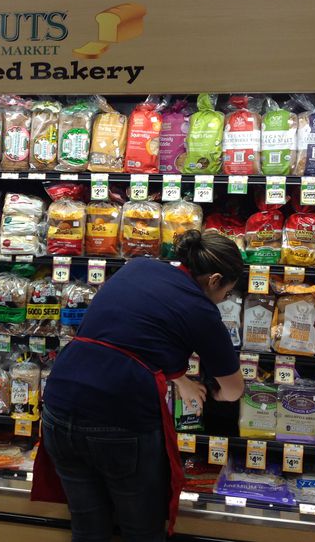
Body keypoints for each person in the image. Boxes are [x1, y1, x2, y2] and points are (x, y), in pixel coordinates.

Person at [32, 229, 245, 542]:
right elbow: (234, 389)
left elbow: (133, 333)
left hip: (60, 405)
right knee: (141, 529)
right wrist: (214, 391)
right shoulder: (202, 310)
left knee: (88, 527)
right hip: (120, 421)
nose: (224, 299)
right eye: (227, 292)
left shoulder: (139, 266)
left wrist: (182, 380)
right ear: (214, 280)